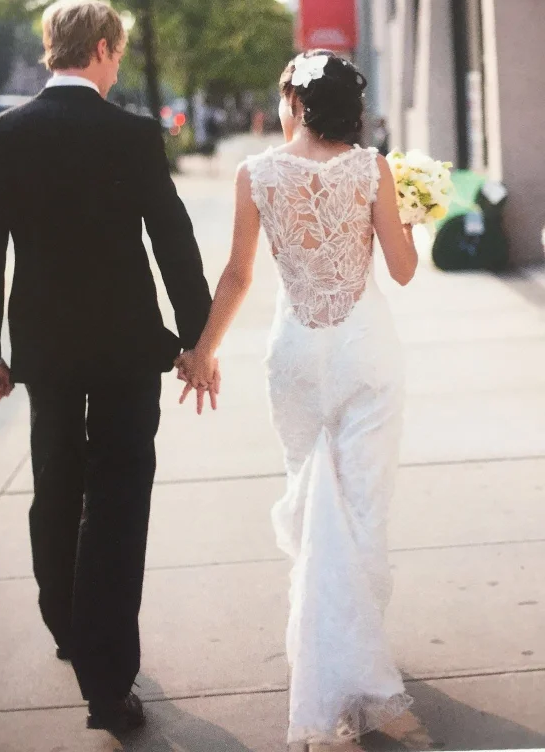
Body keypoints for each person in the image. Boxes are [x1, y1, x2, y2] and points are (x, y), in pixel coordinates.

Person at [0, 0, 216, 735]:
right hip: (128, 347)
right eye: (118, 50)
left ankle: (67, 624)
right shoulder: (132, 134)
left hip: (45, 350)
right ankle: (108, 685)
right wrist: (198, 341)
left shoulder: (3, 133)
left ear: (51, 49)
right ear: (103, 48)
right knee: (117, 499)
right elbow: (173, 239)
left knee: (56, 481)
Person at [177, 50, 418, 749]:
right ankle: (369, 675)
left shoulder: (256, 174)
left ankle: (333, 667)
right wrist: (406, 223)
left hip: (295, 360)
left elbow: (237, 275)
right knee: (365, 512)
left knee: (314, 505)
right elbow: (400, 272)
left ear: (295, 100)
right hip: (365, 351)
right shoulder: (372, 168)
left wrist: (204, 351)